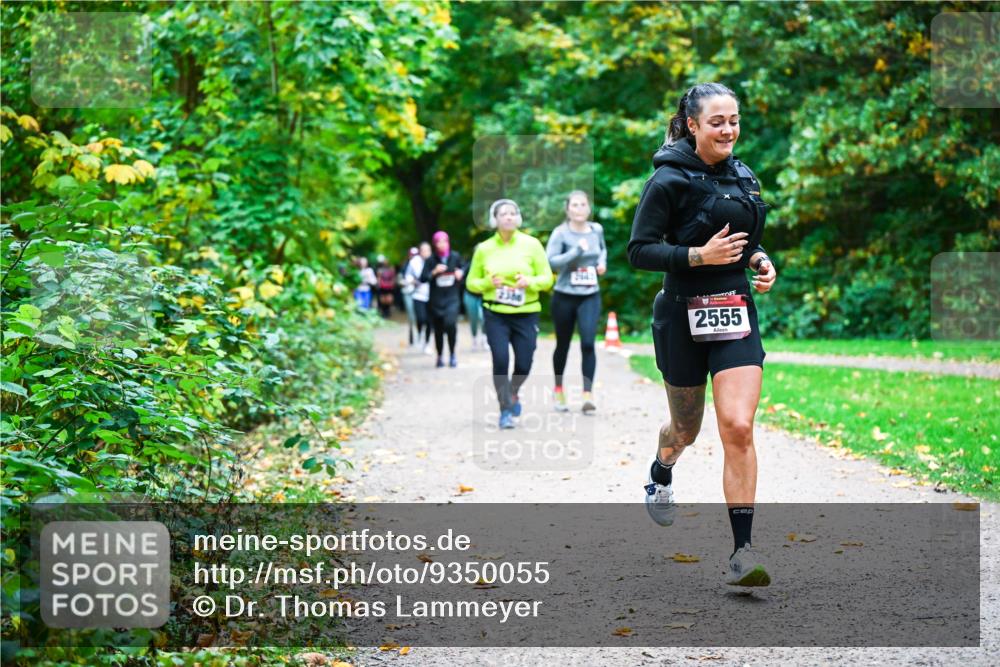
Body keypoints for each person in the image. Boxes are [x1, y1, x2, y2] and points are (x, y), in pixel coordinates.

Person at [627, 83, 777, 587]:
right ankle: (662, 469)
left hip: (734, 309)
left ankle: (743, 552)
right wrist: (696, 257)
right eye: (717, 122)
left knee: (737, 426)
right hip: (681, 316)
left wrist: (758, 258)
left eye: (734, 120)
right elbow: (639, 251)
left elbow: (746, 238)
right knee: (685, 430)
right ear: (692, 125)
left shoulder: (743, 176)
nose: (728, 130)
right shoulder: (667, 180)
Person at [466, 199, 554, 429]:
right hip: (495, 313)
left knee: (524, 363)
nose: (508, 217)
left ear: (518, 218)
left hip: (527, 312)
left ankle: (513, 391)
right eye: (503, 213)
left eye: (513, 213)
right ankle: (504, 409)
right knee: (501, 360)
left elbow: (547, 278)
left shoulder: (532, 245)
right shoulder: (484, 249)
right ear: (494, 219)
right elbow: (471, 283)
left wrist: (529, 282)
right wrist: (487, 282)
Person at [546, 190, 607, 415]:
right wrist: (575, 251)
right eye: (575, 205)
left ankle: (587, 395)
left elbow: (602, 251)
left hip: (590, 294)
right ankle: (559, 388)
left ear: (588, 209)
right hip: (564, 296)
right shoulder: (560, 233)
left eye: (583, 205)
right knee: (563, 344)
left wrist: (601, 263)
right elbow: (551, 262)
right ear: (568, 209)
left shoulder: (596, 230)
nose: (579, 208)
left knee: (588, 343)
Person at [420, 231, 464, 368]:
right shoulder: (431, 260)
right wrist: (434, 272)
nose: (441, 244)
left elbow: (465, 271)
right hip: (436, 301)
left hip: (452, 298)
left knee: (450, 324)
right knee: (438, 329)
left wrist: (460, 273)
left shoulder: (455, 256)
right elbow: (422, 278)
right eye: (438, 242)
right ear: (435, 244)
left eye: (444, 241)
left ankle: (452, 355)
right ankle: (439, 356)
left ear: (448, 242)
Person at [405, 242, 433, 353]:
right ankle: (420, 334)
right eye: (424, 250)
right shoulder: (414, 262)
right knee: (421, 318)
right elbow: (407, 276)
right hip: (418, 295)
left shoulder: (433, 261)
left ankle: (427, 343)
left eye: (428, 250)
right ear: (420, 251)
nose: (426, 253)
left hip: (431, 295)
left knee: (429, 321)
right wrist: (413, 281)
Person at [462, 250, 486, 350]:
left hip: (484, 296)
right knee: (474, 318)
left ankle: (484, 339)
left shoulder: (489, 265)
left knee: (483, 317)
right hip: (470, 295)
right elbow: (463, 279)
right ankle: (474, 339)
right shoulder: (469, 265)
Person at [400, 247, 420, 345]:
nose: (414, 257)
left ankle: (420, 337)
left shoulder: (421, 265)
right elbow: (400, 280)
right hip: (408, 293)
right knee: (411, 316)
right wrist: (408, 282)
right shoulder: (405, 266)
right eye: (412, 254)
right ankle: (413, 337)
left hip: (420, 294)